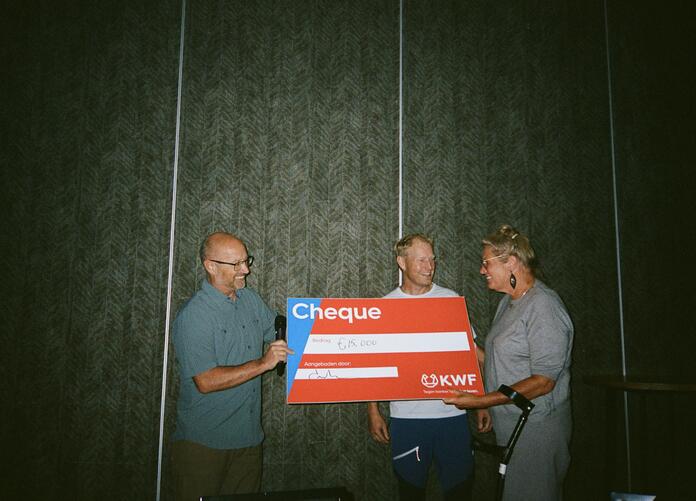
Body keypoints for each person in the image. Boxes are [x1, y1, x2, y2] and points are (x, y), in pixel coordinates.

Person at [444, 224, 574, 501]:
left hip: (537, 428)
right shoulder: (509, 302)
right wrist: (459, 344)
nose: (482, 270)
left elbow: (543, 382)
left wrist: (481, 401)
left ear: (511, 262)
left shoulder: (544, 306)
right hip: (511, 425)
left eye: (486, 263)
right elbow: (497, 360)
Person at [367, 233, 491, 501]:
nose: (429, 266)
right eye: (421, 260)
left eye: (432, 260)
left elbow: (469, 354)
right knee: (410, 491)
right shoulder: (385, 306)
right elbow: (375, 364)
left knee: (460, 490)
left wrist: (481, 402)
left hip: (452, 416)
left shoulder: (450, 299)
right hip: (407, 419)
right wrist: (373, 410)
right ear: (402, 262)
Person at [171, 232, 293, 501]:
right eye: (236, 264)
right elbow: (206, 381)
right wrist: (263, 364)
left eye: (246, 261)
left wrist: (334, 327)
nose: (246, 270)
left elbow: (283, 333)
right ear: (211, 266)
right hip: (203, 444)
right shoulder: (194, 315)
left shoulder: (249, 300)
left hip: (249, 441)